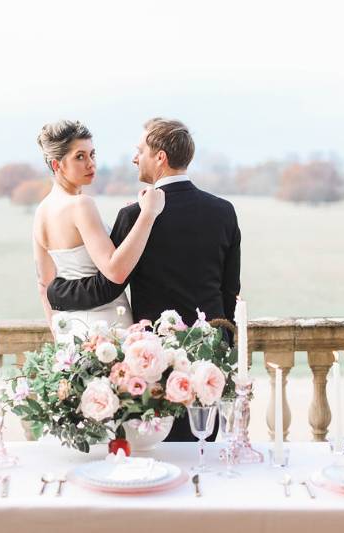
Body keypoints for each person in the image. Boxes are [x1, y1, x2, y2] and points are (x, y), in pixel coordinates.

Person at [47, 117, 241, 441]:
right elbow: (229, 289)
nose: (135, 157)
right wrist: (222, 350)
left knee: (157, 455)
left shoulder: (133, 216)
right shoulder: (224, 211)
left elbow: (108, 286)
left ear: (160, 157)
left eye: (140, 151)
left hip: (154, 360)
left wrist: (57, 290)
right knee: (202, 448)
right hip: (209, 353)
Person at [32, 120, 165, 336]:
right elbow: (115, 271)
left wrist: (61, 338)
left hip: (70, 329)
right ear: (57, 165)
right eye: (80, 157)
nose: (91, 164)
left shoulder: (41, 212)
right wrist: (148, 214)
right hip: (107, 325)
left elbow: (43, 284)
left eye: (92, 154)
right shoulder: (81, 205)